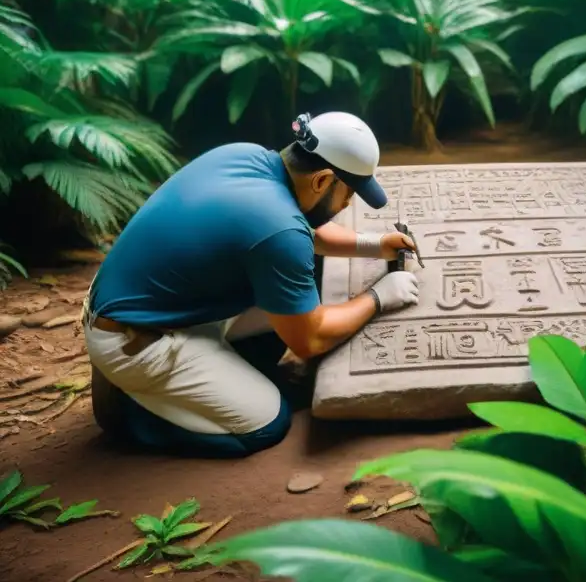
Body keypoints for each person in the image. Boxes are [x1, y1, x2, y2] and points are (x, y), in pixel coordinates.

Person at [83, 111, 420, 458]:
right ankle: (132, 413)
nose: (348, 203)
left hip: (136, 301)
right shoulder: (278, 229)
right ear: (321, 181)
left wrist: (373, 244)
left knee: (298, 278)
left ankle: (205, 376)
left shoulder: (246, 156)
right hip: (137, 342)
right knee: (266, 424)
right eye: (348, 192)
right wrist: (379, 297)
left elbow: (301, 228)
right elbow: (310, 338)